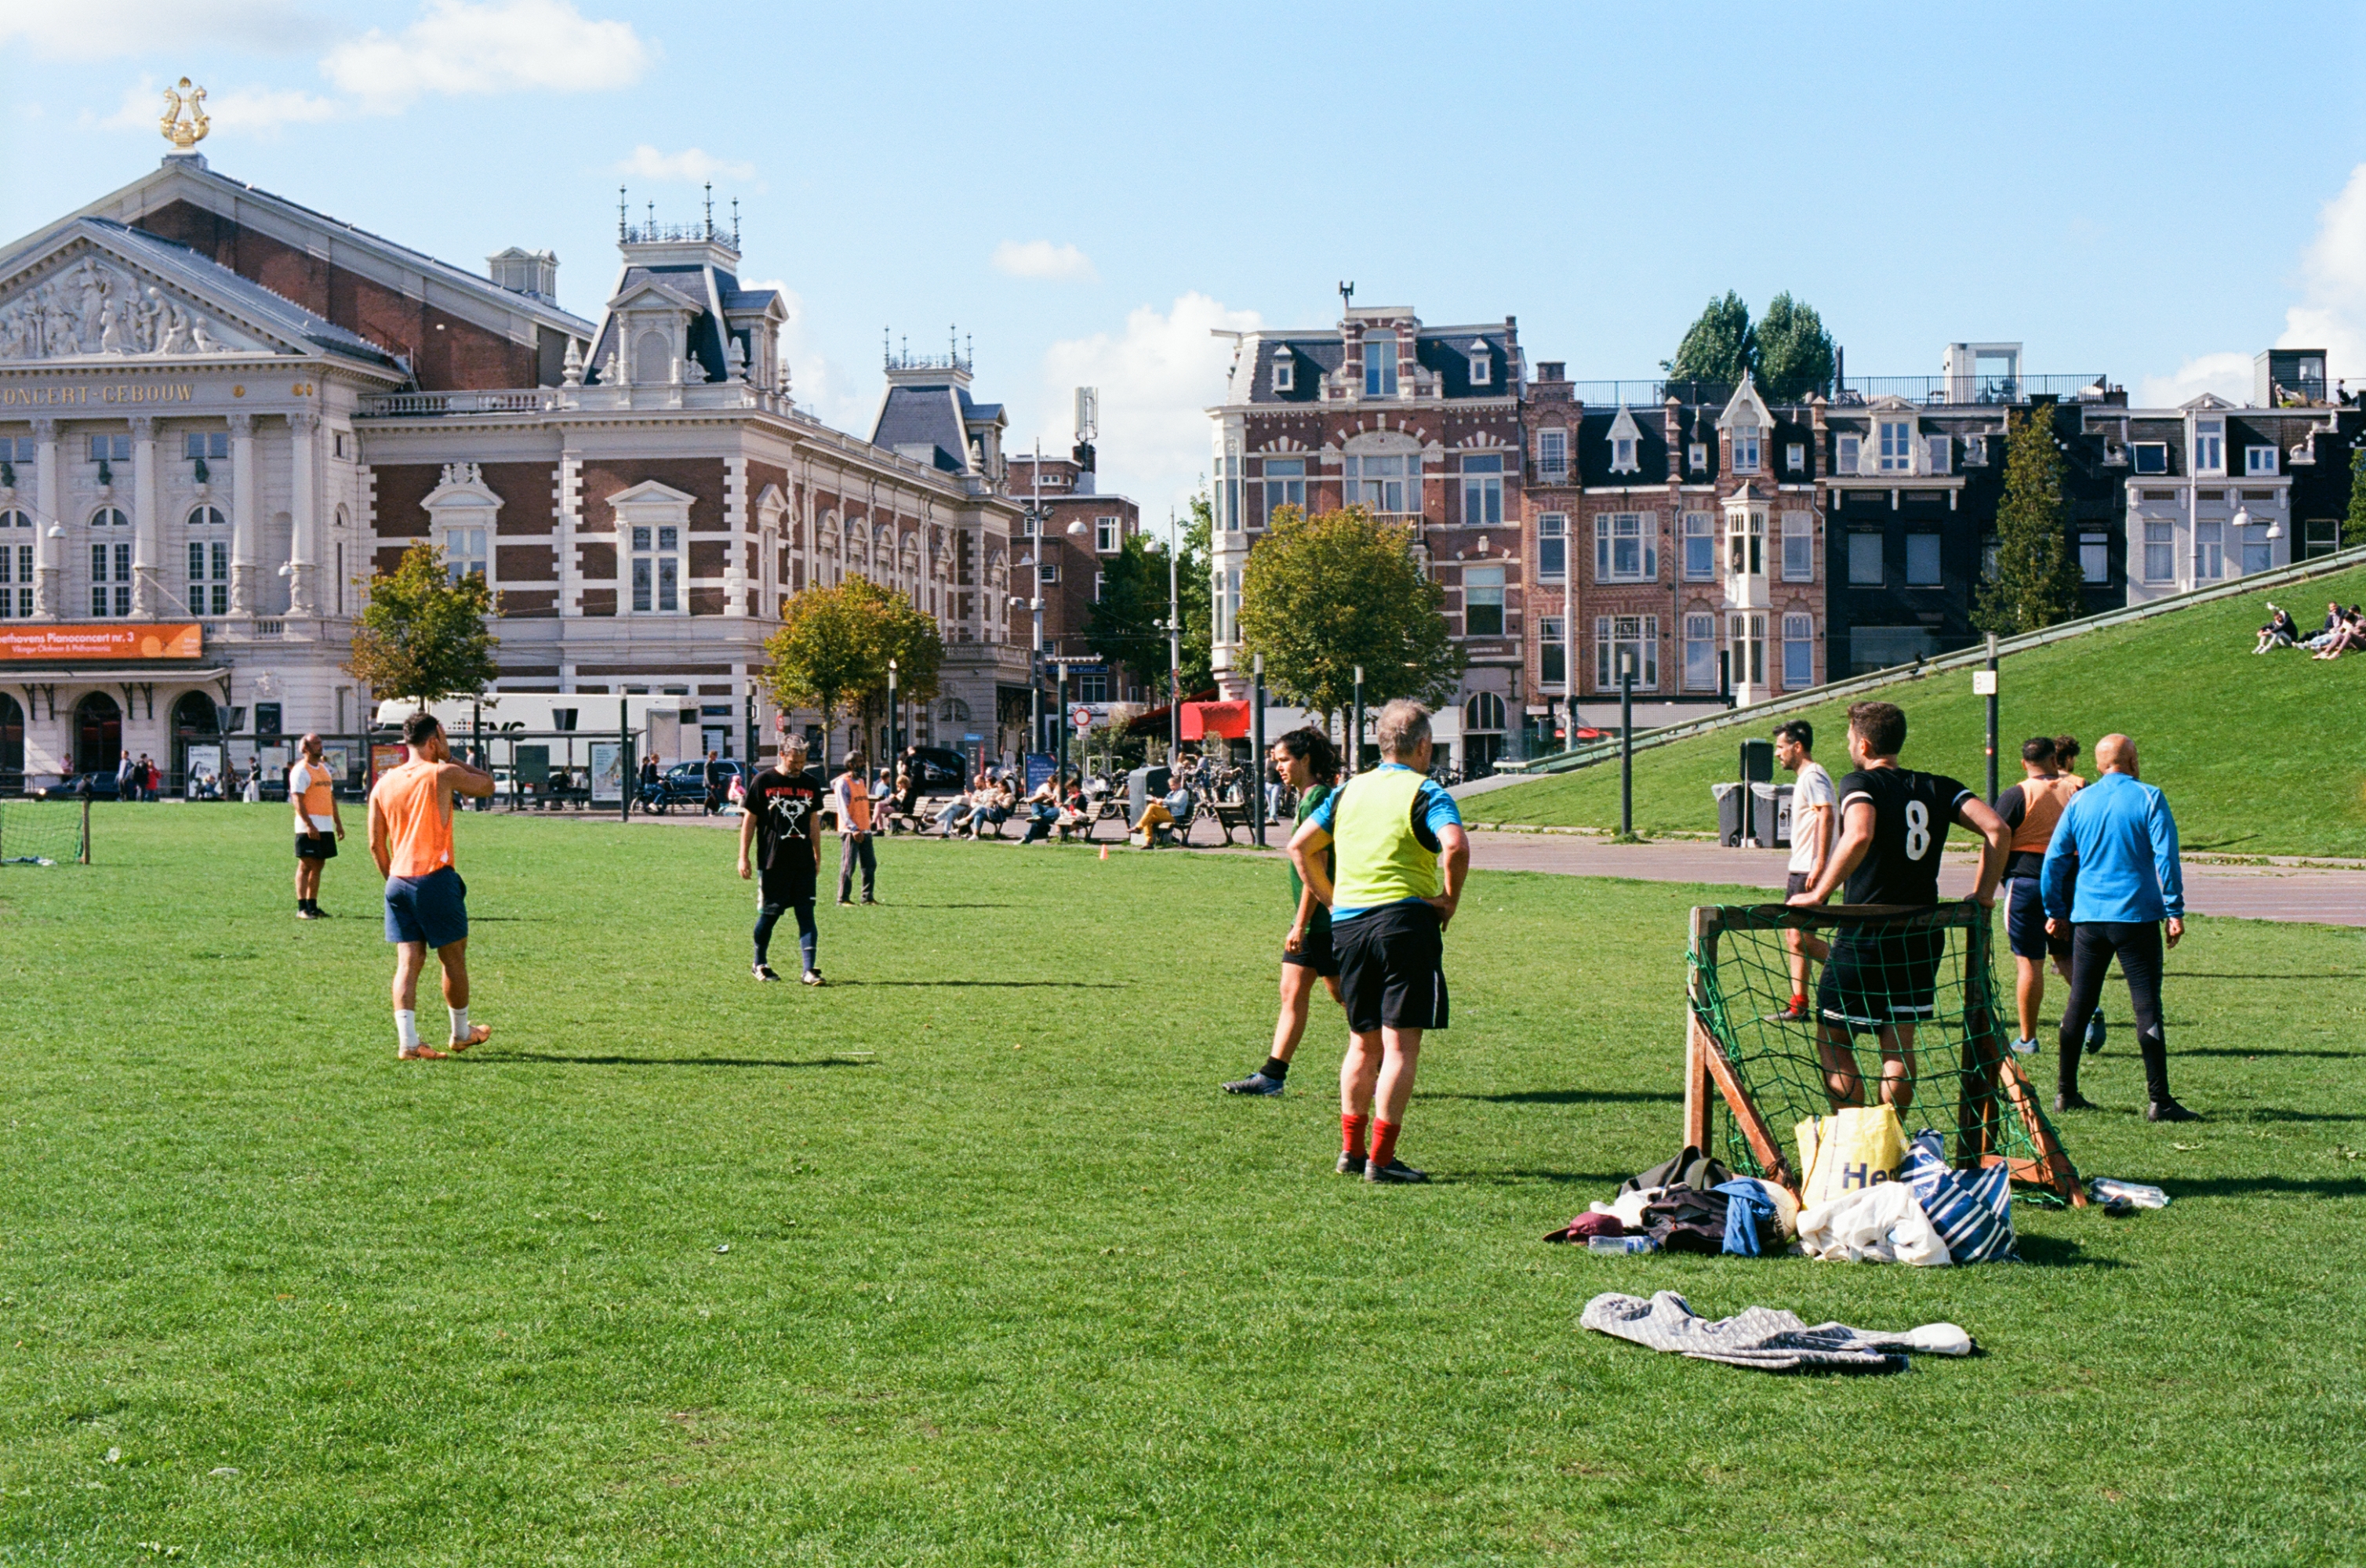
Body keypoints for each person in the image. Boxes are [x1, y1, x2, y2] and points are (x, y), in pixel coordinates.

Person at [1788, 701, 2009, 1112]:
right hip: (1921, 934)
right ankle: (1891, 1138)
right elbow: (1997, 828)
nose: (1849, 746)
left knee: (1834, 1040)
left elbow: (1859, 834)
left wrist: (1818, 894)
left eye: (1850, 738)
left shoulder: (1860, 781)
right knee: (1898, 1046)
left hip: (1867, 933)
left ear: (1864, 744)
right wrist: (1983, 895)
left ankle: (1853, 1140)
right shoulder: (1938, 786)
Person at [1289, 699, 1470, 1184]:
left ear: (1382, 742)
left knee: (1361, 1043)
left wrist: (1333, 902)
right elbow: (1454, 845)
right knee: (1400, 1046)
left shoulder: (1347, 791)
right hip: (1403, 925)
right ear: (1424, 745)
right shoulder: (1426, 791)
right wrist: (1449, 899)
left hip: (1349, 928)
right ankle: (1382, 1160)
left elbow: (1300, 846)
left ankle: (1351, 1152)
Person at [2041, 733, 2194, 1121]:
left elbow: (2054, 859)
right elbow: (2166, 857)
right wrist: (2174, 910)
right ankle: (2159, 1100)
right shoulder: (2149, 797)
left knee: (2080, 1002)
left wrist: (2055, 910)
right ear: (2133, 760)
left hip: (2089, 918)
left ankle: (2065, 1092)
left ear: (2098, 764)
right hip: (2136, 917)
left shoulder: (2080, 801)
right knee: (2146, 1005)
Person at [1224, 728, 1347, 1096]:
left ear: (1305, 760)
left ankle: (1381, 1062)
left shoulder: (1317, 798)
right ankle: (1271, 1077)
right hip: (1311, 922)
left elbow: (1317, 868)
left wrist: (1300, 924)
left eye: (1284, 760)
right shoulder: (1309, 797)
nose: (1277, 767)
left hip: (1323, 923)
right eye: (1276, 760)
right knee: (1292, 993)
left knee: (1347, 997)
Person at [368, 711, 496, 1060]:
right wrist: (451, 756)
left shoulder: (383, 783)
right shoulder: (441, 773)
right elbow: (487, 784)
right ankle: (461, 1033)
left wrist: (394, 881)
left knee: (408, 963)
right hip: (434, 878)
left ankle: (409, 1043)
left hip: (398, 881)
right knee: (453, 958)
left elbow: (376, 845)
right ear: (434, 740)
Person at [1996, 736, 2083, 1056]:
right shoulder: (2077, 791)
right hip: (2067, 882)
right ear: (2054, 759)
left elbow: (1996, 835)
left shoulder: (2017, 794)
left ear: (2024, 764)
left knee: (2029, 963)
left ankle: (2027, 1038)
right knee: (2067, 955)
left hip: (2026, 883)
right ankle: (2091, 1009)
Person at [739, 735, 825, 985]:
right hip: (773, 861)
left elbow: (813, 821)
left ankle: (809, 970)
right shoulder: (763, 781)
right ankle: (759, 963)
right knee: (770, 915)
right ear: (782, 755)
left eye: (802, 762)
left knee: (806, 914)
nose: (798, 767)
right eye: (793, 762)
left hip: (803, 862)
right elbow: (750, 820)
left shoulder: (810, 783)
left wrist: (817, 854)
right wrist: (743, 857)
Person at [1772, 719, 1835, 1021]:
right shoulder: (1807, 777)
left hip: (1809, 870)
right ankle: (1798, 1005)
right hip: (1800, 867)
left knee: (1799, 938)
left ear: (1797, 747)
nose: (1777, 753)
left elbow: (1827, 814)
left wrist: (1820, 862)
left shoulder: (1813, 775)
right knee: (1794, 936)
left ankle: (1856, 971)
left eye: (1780, 747)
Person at [289, 732, 347, 920]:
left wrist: (338, 823)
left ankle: (313, 905)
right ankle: (302, 907)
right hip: (309, 825)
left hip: (325, 824)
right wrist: (309, 825)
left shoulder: (323, 769)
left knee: (319, 864)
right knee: (306, 864)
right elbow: (297, 799)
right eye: (316, 743)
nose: (321, 746)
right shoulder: (300, 770)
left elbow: (330, 797)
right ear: (305, 748)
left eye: (321, 742)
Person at [832, 750, 877, 904]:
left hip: (865, 829)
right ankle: (843, 898)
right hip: (851, 831)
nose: (863, 763)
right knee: (848, 865)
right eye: (859, 761)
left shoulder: (861, 782)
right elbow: (842, 809)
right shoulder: (843, 783)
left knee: (870, 865)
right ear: (851, 765)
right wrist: (853, 828)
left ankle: (867, 897)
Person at [701, 750, 725, 815]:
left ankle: (706, 813)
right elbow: (708, 775)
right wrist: (711, 784)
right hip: (710, 785)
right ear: (711, 756)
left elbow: (715, 775)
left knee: (709, 798)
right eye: (715, 756)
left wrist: (718, 783)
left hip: (713, 784)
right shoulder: (708, 764)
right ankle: (712, 812)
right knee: (715, 798)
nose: (716, 758)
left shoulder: (712, 763)